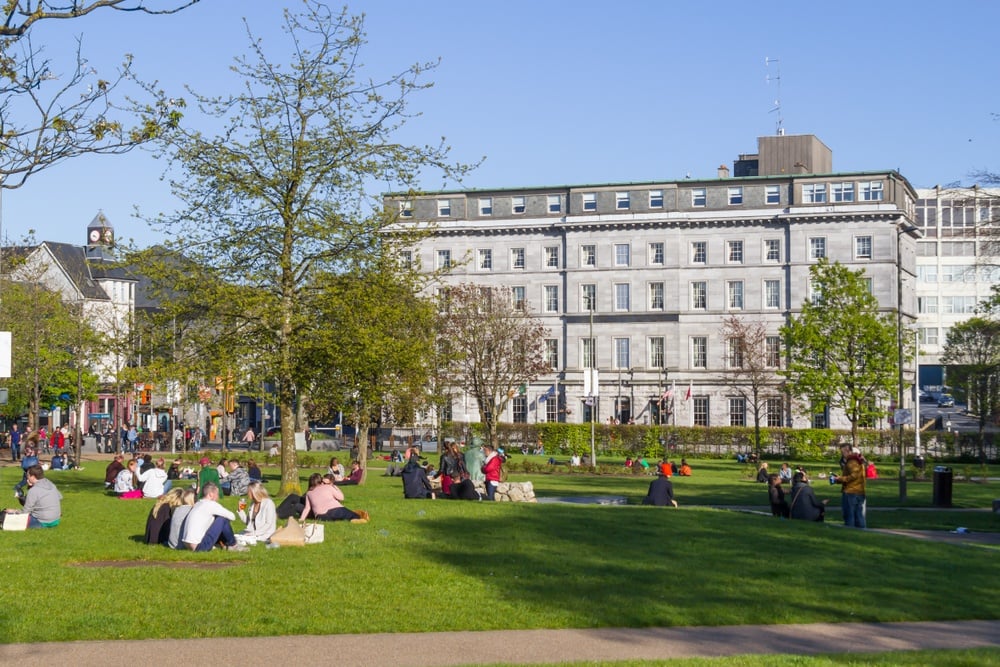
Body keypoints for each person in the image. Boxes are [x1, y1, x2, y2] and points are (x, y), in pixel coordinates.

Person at [181, 482, 246, 551]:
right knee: (222, 519)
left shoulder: (198, 503)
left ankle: (223, 543)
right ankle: (233, 545)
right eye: (217, 494)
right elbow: (232, 517)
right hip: (199, 546)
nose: (218, 497)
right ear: (211, 495)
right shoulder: (211, 504)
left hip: (187, 544)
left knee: (217, 519)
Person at [299, 473, 368, 523]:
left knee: (338, 519)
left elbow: (307, 508)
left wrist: (301, 519)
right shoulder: (328, 487)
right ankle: (356, 517)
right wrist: (333, 486)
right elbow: (341, 498)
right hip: (335, 510)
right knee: (356, 516)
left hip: (320, 516)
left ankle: (347, 518)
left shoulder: (308, 493)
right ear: (321, 481)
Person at [834, 445, 867, 528]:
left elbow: (854, 476)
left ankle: (850, 531)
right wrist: (839, 479)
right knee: (859, 515)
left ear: (848, 451)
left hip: (851, 492)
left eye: (843, 452)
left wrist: (840, 479)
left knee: (849, 515)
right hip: (859, 491)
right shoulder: (859, 461)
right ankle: (862, 533)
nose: (842, 455)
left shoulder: (852, 461)